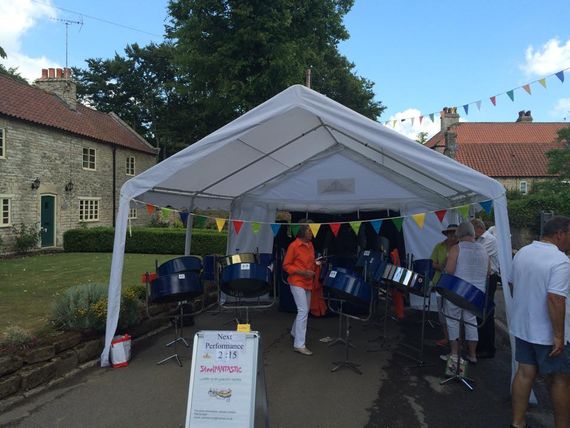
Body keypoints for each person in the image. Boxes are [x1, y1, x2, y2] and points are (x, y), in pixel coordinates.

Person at [510, 216, 570, 428]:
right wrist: (559, 336)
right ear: (560, 234)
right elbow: (555, 299)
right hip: (546, 333)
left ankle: (517, 423)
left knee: (525, 373)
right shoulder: (560, 260)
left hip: (523, 327)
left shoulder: (523, 253)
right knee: (560, 380)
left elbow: (511, 283)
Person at [441, 221, 489, 364]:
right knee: (471, 321)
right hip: (475, 294)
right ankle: (472, 355)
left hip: (458, 290)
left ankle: (455, 355)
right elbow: (488, 272)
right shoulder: (483, 250)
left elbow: (449, 271)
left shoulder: (457, 248)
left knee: (453, 320)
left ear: (459, 234)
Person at [282, 221, 318, 356]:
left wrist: (316, 263)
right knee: (303, 310)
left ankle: (294, 332)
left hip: (307, 281)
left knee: (304, 310)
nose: (312, 232)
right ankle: (299, 344)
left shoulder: (310, 245)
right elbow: (286, 265)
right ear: (303, 231)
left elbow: (310, 262)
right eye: (309, 230)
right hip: (297, 281)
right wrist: (302, 272)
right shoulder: (294, 246)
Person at [471, 218, 500, 358]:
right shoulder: (476, 240)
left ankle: (488, 348)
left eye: (472, 230)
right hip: (480, 277)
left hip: (489, 278)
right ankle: (479, 345)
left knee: (486, 312)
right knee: (478, 311)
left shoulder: (489, 240)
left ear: (478, 228)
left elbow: (476, 256)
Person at [430, 223, 458, 347]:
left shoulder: (461, 247)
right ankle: (447, 337)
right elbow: (432, 263)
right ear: (446, 234)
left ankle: (457, 340)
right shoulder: (439, 246)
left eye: (454, 233)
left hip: (455, 284)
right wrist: (442, 266)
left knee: (456, 314)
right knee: (442, 313)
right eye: (450, 233)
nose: (452, 236)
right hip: (440, 282)